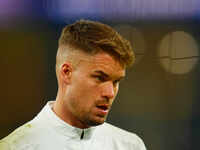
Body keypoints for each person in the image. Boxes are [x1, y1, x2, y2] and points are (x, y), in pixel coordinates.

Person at [0, 20, 146, 150]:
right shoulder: (15, 146)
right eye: (100, 78)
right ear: (66, 73)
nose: (110, 93)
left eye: (116, 82)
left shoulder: (130, 145)